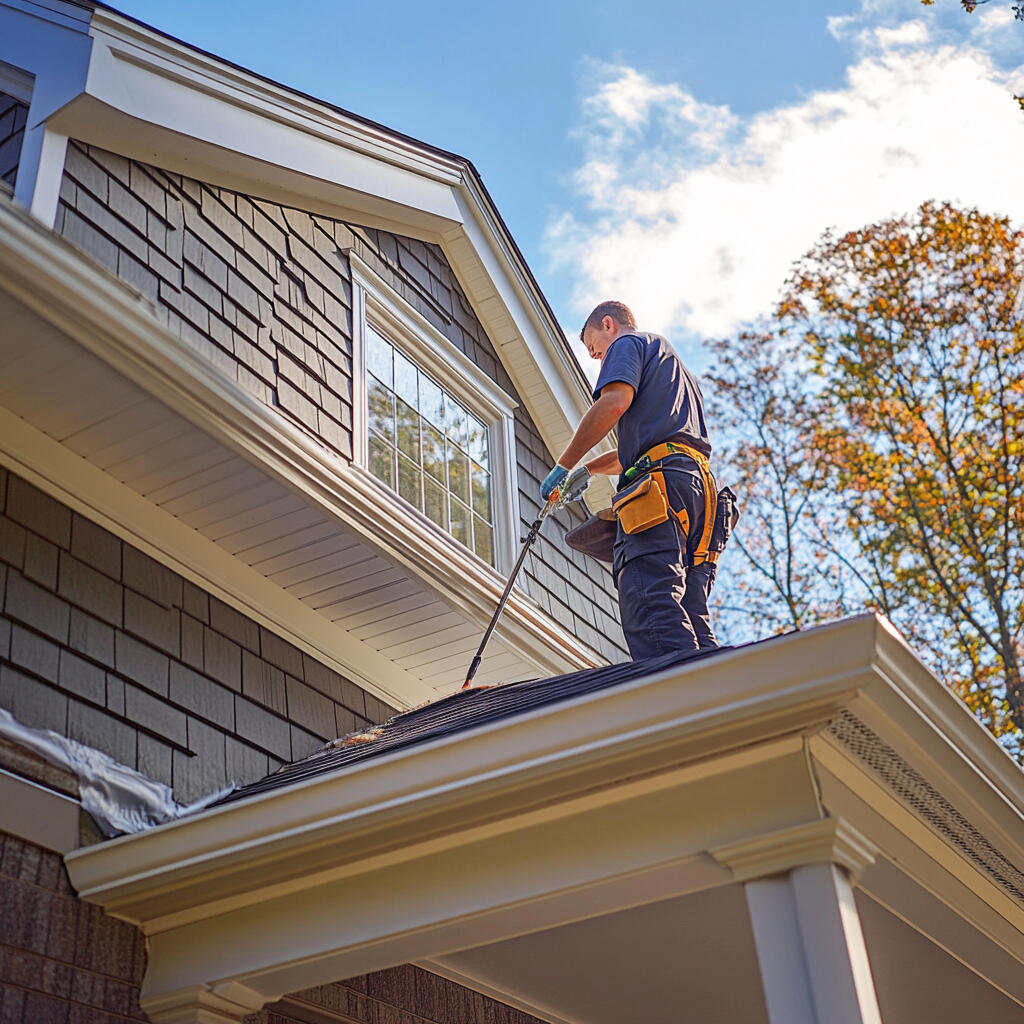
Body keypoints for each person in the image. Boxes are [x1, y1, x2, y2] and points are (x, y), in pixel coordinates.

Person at [540, 301, 718, 659]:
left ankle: (674, 687)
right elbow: (640, 451)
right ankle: (717, 684)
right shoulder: (675, 370)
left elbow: (614, 403)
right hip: (698, 491)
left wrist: (563, 466)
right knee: (690, 608)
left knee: (649, 598)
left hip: (662, 489)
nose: (597, 358)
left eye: (595, 348)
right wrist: (589, 469)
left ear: (609, 324)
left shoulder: (627, 343)